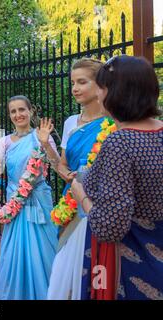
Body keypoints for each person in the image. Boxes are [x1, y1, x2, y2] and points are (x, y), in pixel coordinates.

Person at [70, 55, 163, 300]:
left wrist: (82, 197)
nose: (99, 95)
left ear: (115, 92)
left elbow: (109, 226)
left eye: (101, 87)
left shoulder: (120, 142)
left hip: (132, 264)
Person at [0, 95, 60, 300]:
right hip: (14, 204)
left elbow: (57, 166)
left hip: (39, 202)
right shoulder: (5, 142)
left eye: (22, 110)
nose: (18, 115)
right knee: (14, 249)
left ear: (31, 112)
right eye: (13, 111)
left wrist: (46, 144)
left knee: (43, 247)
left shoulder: (42, 136)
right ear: (9, 115)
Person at [47, 58, 106, 300]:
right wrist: (65, 173)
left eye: (82, 82)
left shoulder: (113, 123)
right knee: (63, 267)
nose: (75, 88)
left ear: (100, 85)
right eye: (73, 83)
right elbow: (62, 165)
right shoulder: (71, 122)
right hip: (70, 201)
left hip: (97, 207)